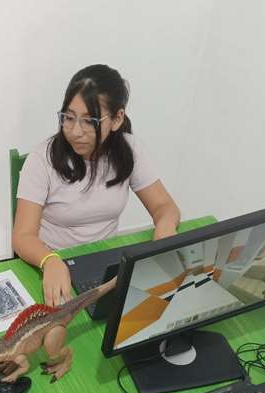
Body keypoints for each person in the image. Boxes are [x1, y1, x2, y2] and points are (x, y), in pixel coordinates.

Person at [12, 64, 181, 306]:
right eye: (68, 118)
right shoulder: (42, 159)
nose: (75, 132)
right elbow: (22, 236)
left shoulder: (129, 150)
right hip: (50, 264)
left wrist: (165, 228)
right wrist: (49, 260)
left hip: (103, 267)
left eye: (89, 121)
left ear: (116, 119)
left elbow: (164, 206)